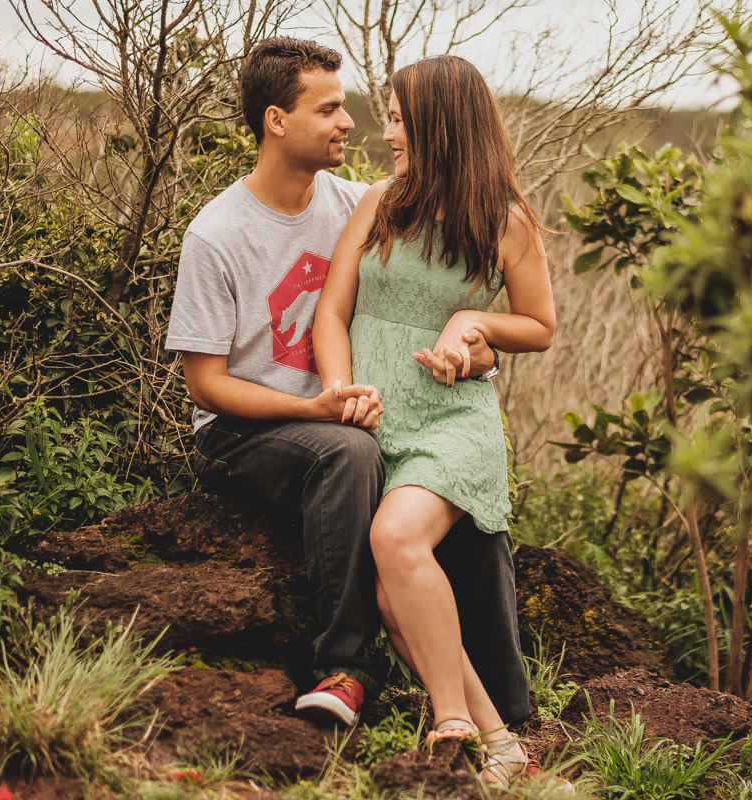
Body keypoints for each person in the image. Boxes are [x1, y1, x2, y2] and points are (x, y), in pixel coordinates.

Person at [164, 37, 528, 731]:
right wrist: (315, 406)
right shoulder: (217, 234)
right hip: (247, 430)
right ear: (277, 121)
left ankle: (504, 716)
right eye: (329, 108)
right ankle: (347, 668)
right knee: (350, 455)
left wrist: (479, 356)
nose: (350, 123)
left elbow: (430, 297)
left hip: (350, 411)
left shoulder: (360, 204)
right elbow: (205, 386)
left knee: (471, 515)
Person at [312, 55, 566, 791]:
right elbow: (332, 312)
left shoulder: (505, 220)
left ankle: (449, 726)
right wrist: (339, 389)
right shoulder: (382, 203)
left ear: (439, 127)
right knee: (395, 592)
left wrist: (471, 319)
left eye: (398, 119)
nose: (386, 133)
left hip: (453, 425)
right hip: (373, 417)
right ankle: (502, 746)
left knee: (394, 538)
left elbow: (541, 326)